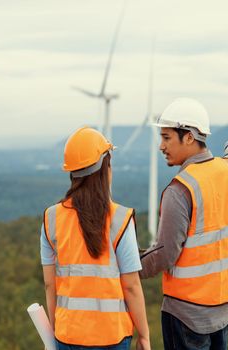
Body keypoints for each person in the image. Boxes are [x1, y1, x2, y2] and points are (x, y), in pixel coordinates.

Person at [140, 98, 228, 350]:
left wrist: (127, 270)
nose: (161, 146)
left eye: (167, 138)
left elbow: (165, 254)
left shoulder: (180, 190)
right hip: (223, 309)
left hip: (186, 314)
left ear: (188, 137)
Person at [40, 127, 151, 350]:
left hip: (67, 336)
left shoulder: (51, 218)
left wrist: (54, 331)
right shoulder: (120, 219)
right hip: (112, 337)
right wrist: (144, 336)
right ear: (105, 169)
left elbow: (50, 283)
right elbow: (131, 286)